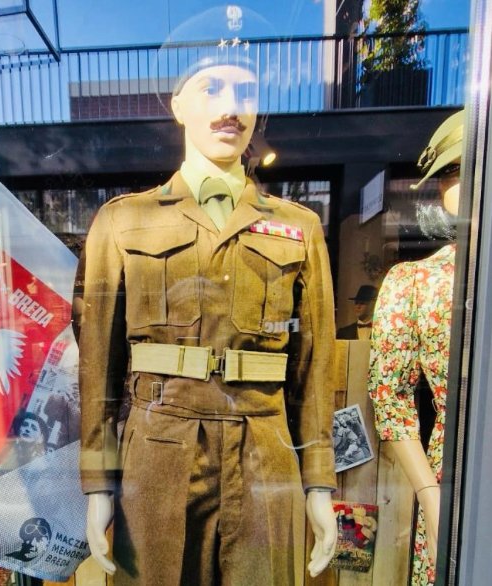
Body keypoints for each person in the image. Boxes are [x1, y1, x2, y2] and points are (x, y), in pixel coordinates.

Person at [78, 7, 338, 585]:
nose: (231, 107)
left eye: (245, 92)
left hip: (265, 449)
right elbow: (97, 364)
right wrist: (98, 483)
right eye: (211, 87)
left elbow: (315, 366)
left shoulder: (298, 227)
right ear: (178, 105)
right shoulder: (123, 222)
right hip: (158, 451)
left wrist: (319, 481)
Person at [368, 109, 463, 585]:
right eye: (454, 171)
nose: (468, 183)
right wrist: (430, 494)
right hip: (454, 479)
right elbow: (391, 399)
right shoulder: (416, 282)